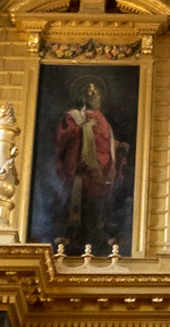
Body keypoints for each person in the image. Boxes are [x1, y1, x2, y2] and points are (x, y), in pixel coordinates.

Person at [55, 76, 130, 252]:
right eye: (90, 92)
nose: (94, 95)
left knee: (99, 206)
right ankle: (75, 239)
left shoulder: (101, 118)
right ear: (82, 96)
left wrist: (118, 147)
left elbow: (104, 142)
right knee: (80, 204)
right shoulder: (74, 116)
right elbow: (64, 138)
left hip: (102, 171)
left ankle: (97, 235)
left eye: (96, 92)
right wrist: (84, 128)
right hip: (83, 169)